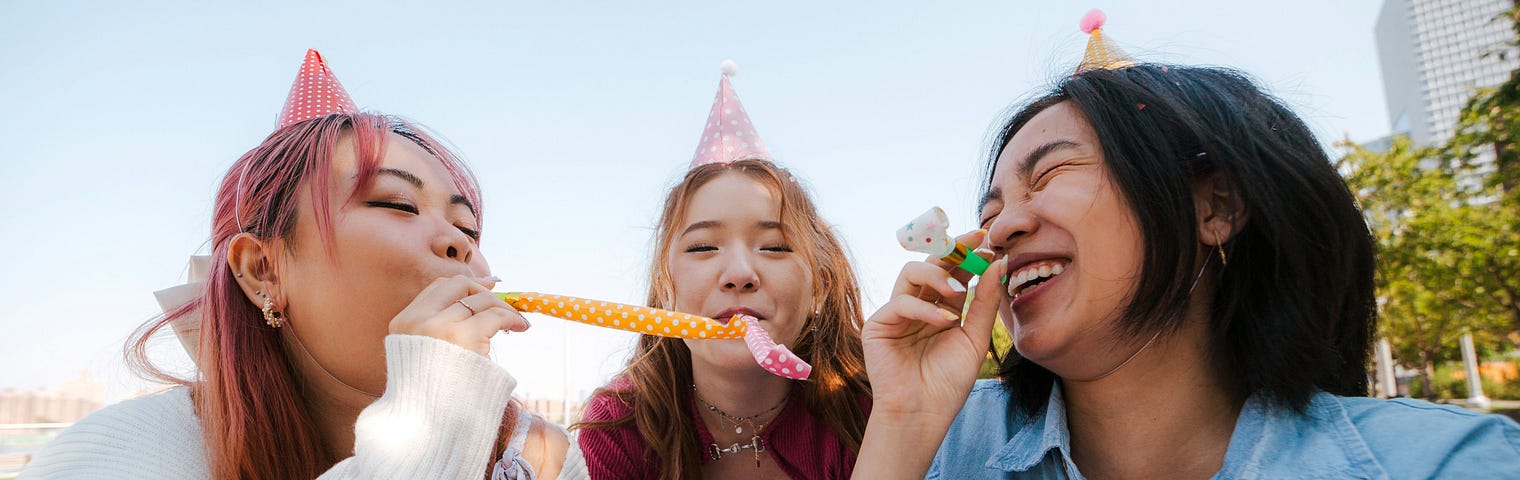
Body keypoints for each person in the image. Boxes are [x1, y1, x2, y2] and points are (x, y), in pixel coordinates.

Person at [855, 13, 1520, 479]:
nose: (999, 232)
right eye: (990, 211)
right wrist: (903, 426)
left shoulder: (1449, 462)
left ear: (1215, 206)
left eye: (1052, 174)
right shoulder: (944, 440)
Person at [21, 50, 585, 479]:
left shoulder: (540, 457)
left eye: (469, 229)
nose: (459, 246)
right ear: (262, 271)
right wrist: (428, 430)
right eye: (396, 204)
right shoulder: (117, 454)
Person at [576, 62, 871, 479]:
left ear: (820, 287)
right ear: (666, 289)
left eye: (774, 246)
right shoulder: (619, 426)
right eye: (702, 247)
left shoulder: (869, 410)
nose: (739, 273)